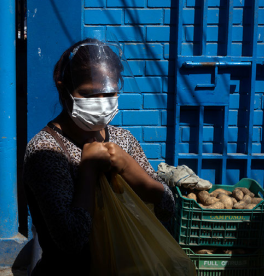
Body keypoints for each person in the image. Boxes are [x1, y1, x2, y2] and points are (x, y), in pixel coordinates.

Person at [23, 38, 175, 275]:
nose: (102, 104)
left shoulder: (123, 140)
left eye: (110, 93)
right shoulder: (46, 151)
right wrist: (89, 172)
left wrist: (131, 171)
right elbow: (71, 242)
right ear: (64, 89)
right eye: (89, 94)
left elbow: (167, 208)